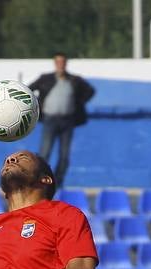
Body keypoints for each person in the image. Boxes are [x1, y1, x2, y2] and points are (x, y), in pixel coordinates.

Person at [29, 54, 95, 189]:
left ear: (66, 64)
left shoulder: (74, 80)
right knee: (45, 153)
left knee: (64, 155)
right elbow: (28, 89)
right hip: (49, 119)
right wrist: (37, 104)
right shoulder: (45, 79)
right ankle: (40, 182)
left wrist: (79, 102)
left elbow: (90, 91)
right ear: (54, 64)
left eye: (63, 62)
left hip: (67, 120)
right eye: (58, 62)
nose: (60, 65)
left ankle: (57, 182)